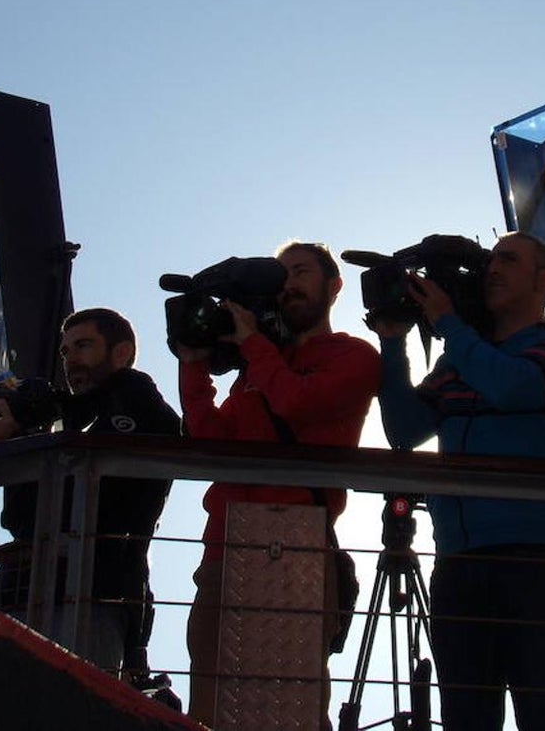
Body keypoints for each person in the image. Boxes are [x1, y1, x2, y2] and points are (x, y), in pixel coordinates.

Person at [371, 231, 545, 731]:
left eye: (508, 259)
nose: (492, 268)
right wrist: (392, 340)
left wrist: (449, 324)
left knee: (542, 708)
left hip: (532, 558)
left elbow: (515, 386)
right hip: (457, 561)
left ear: (544, 279)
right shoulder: (461, 358)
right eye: (491, 259)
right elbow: (404, 429)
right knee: (466, 715)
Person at [177, 241, 380, 730]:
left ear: (333, 288)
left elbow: (297, 403)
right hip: (222, 547)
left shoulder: (353, 356)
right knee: (209, 711)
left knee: (293, 714)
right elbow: (210, 436)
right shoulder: (259, 363)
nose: (288, 283)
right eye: (280, 275)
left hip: (296, 544)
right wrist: (193, 363)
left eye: (301, 272)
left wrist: (251, 346)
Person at [0, 307, 179, 679]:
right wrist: (17, 440)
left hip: (93, 597)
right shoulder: (67, 426)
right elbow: (20, 520)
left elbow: (103, 502)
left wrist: (38, 429)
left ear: (121, 353)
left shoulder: (143, 408)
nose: (71, 361)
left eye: (83, 346)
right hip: (22, 592)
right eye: (65, 352)